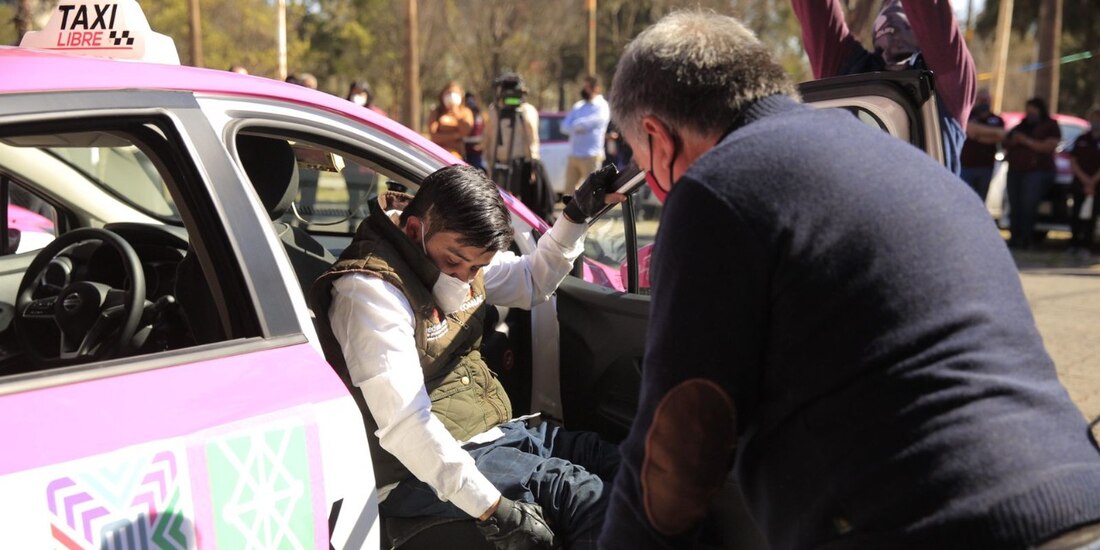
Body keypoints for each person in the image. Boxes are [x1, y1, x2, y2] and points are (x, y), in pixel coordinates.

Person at [600, 11, 1100, 549]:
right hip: (1079, 499)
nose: (649, 178)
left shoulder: (719, 189)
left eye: (641, 159)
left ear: (656, 135)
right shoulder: (915, 164)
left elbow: (677, 450)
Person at [311, 165, 625, 549]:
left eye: (476, 267)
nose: (465, 277)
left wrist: (575, 217)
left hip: (494, 434)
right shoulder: (370, 293)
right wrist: (493, 509)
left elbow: (531, 281)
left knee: (623, 465)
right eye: (456, 263)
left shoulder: (455, 250)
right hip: (420, 470)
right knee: (589, 500)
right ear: (414, 231)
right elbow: (407, 425)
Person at [792, 0, 976, 176]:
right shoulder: (847, 68)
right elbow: (814, 9)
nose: (894, 7)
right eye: (887, 3)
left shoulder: (950, 75)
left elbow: (930, 12)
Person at [1004, 97, 1061, 250]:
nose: (1030, 113)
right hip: (1016, 170)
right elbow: (1006, 140)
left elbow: (1048, 147)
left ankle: (1027, 239)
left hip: (1037, 172)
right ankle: (1015, 238)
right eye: (1028, 109)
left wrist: (1026, 141)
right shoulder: (1022, 125)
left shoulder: (1050, 125)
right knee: (1015, 205)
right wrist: (1014, 140)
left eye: (1034, 109)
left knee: (1028, 206)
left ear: (1040, 109)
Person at [562, 75, 611, 197]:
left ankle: (592, 215)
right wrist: (578, 126)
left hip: (591, 156)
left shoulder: (602, 106)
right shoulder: (578, 106)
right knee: (568, 192)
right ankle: (571, 215)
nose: (584, 90)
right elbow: (564, 126)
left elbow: (593, 122)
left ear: (596, 88)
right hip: (574, 155)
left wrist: (577, 125)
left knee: (592, 191)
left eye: (587, 87)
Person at [960, 89, 1005, 201]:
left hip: (986, 166)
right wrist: (991, 132)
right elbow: (969, 129)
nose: (984, 102)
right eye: (981, 99)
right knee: (964, 198)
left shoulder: (997, 119)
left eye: (986, 100)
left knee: (980, 199)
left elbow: (1000, 135)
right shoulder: (968, 116)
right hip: (966, 166)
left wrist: (978, 135)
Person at [1069, 107, 1100, 258]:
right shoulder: (1082, 139)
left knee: (1091, 216)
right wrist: (1085, 180)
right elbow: (1073, 160)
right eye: (1094, 118)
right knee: (1076, 214)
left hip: (1096, 186)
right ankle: (1074, 242)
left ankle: (1087, 245)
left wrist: (1092, 182)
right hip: (1080, 183)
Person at [429, 82, 475, 159]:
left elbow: (465, 131)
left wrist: (455, 112)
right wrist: (455, 135)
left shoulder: (466, 112)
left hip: (455, 156)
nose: (451, 96)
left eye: (455, 93)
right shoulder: (436, 112)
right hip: (437, 154)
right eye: (448, 93)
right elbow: (433, 136)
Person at [464, 92, 486, 171]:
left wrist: (482, 146)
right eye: (467, 100)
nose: (470, 102)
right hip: (464, 150)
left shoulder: (480, 116)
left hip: (477, 151)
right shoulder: (462, 114)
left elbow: (485, 132)